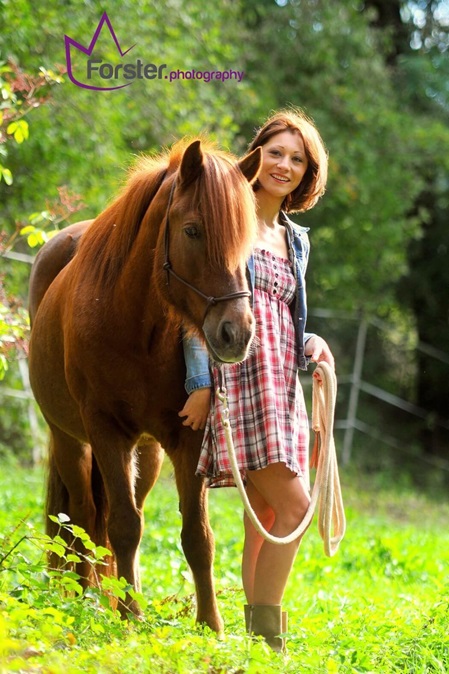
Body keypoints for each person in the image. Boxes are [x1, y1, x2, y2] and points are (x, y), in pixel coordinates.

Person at [179, 108, 334, 651]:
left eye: (297, 158)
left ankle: (252, 644)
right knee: (295, 507)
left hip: (280, 385)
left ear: (306, 173)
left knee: (265, 515)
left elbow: (289, 312)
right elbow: (200, 298)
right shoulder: (229, 215)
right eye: (275, 152)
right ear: (257, 153)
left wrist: (311, 344)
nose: (283, 165)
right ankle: (271, 638)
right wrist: (199, 382)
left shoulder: (297, 239)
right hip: (238, 379)